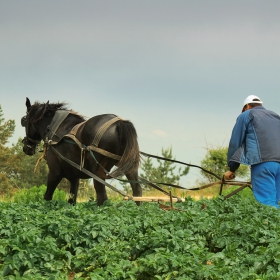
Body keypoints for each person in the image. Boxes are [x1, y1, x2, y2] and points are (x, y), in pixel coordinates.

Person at [224, 95, 280, 208]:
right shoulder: (275, 116)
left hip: (263, 164)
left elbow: (236, 143)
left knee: (268, 205)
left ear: (247, 106)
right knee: (277, 201)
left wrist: (232, 168)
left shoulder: (246, 115)